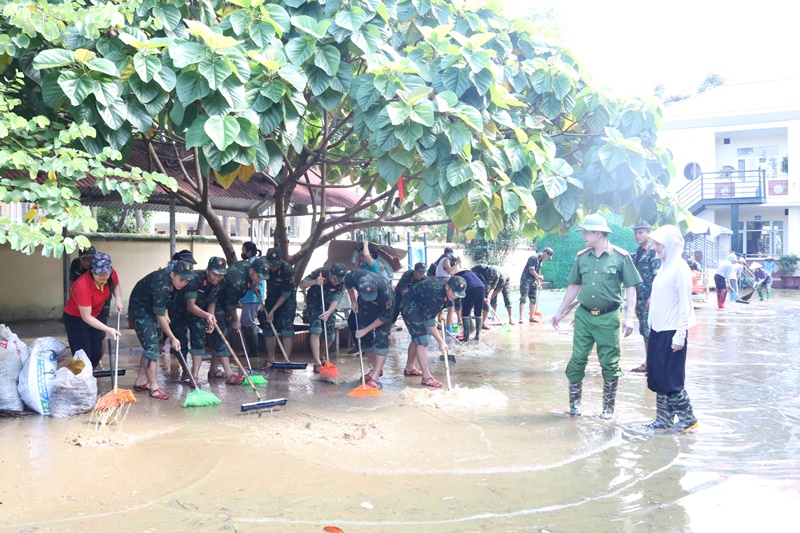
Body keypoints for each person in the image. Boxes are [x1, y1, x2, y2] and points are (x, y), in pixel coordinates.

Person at [551, 213, 642, 419]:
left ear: (599, 233)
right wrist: (560, 312)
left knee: (609, 363)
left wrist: (630, 317)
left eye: (587, 232)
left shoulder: (621, 257)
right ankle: (575, 407)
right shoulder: (582, 257)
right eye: (583, 232)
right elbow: (574, 285)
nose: (583, 235)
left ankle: (608, 409)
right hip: (583, 316)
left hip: (608, 317)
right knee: (577, 360)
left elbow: (630, 287)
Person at [644, 225, 698, 432]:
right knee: (657, 376)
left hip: (673, 330)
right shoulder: (665, 266)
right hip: (658, 329)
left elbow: (686, 304)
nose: (655, 247)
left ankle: (689, 419)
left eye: (659, 244)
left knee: (671, 379)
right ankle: (663, 420)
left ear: (671, 245)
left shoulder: (680, 268)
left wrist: (681, 335)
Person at [129, 261, 195, 400]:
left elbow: (162, 305)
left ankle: (141, 381)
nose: (183, 283)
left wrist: (166, 313)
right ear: (172, 274)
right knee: (152, 348)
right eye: (181, 279)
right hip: (140, 309)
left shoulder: (171, 281)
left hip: (152, 307)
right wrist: (172, 337)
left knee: (155, 347)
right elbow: (159, 314)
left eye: (186, 281)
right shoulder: (162, 284)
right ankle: (153, 388)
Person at [400, 276, 467, 387]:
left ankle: (410, 368)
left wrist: (441, 312)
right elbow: (430, 321)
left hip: (421, 304)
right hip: (410, 306)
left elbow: (440, 302)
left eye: (458, 294)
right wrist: (441, 341)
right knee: (423, 340)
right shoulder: (435, 292)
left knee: (417, 338)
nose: (455, 296)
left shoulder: (447, 289)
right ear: (447, 286)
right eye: (453, 293)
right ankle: (427, 378)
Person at [209, 258, 269, 379]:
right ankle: (230, 373)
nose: (260, 279)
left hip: (225, 301)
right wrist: (236, 320)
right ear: (251, 271)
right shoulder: (238, 281)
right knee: (222, 336)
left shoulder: (249, 268)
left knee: (219, 336)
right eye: (259, 276)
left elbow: (253, 279)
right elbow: (231, 304)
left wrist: (255, 285)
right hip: (217, 301)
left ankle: (214, 370)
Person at [63, 252, 122, 369]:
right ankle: (76, 380)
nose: (103, 275)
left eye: (106, 272)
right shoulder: (83, 285)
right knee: (82, 355)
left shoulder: (111, 274)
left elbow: (116, 285)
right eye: (99, 272)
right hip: (76, 318)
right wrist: (108, 329)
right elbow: (86, 317)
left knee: (95, 354)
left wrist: (118, 299)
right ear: (92, 269)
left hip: (95, 314)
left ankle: (90, 377)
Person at [344, 270, 394, 388]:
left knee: (381, 339)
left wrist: (365, 330)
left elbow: (384, 318)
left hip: (382, 312)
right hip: (365, 308)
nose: (370, 298)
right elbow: (347, 284)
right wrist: (353, 300)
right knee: (365, 339)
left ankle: (375, 377)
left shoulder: (386, 293)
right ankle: (376, 369)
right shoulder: (354, 277)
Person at [182, 257, 227, 383]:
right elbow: (190, 305)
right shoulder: (195, 279)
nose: (218, 278)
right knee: (181, 341)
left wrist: (210, 318)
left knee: (198, 338)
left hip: (200, 311)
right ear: (207, 270)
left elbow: (212, 300)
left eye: (221, 275)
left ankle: (194, 376)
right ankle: (185, 370)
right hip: (180, 310)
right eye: (215, 274)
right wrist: (206, 315)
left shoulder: (220, 282)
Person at [298, 263, 348, 372]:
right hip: (314, 305)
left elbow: (337, 298)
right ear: (330, 273)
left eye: (339, 280)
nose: (337, 282)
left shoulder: (342, 282)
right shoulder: (320, 272)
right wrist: (315, 281)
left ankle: (322, 355)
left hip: (329, 307)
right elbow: (301, 284)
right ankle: (317, 362)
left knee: (330, 336)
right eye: (335, 279)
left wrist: (329, 312)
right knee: (316, 330)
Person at [630, 221, 661, 374]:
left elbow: (657, 275)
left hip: (650, 299)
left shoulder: (653, 252)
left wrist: (652, 298)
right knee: (644, 332)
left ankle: (654, 364)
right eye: (636, 232)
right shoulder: (639, 252)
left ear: (649, 233)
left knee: (651, 332)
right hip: (640, 299)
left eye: (641, 232)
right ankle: (649, 363)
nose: (637, 235)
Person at [262, 248, 297, 367]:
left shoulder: (288, 270)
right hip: (271, 298)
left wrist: (273, 310)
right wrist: (255, 285)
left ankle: (287, 361)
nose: (273, 267)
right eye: (271, 264)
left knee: (287, 329)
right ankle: (271, 359)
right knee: (268, 328)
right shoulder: (263, 265)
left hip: (287, 300)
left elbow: (285, 294)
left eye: (275, 264)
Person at [239, 242, 265, 359]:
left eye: (243, 250)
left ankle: (254, 351)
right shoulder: (258, 262)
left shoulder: (252, 264)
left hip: (252, 298)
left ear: (249, 251)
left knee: (248, 324)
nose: (242, 252)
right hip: (253, 297)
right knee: (250, 323)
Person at [519, 247, 553, 324]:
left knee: (533, 299)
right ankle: (521, 318)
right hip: (526, 280)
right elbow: (531, 270)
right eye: (548, 256)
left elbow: (538, 273)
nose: (548, 258)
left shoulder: (541, 261)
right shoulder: (534, 258)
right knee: (523, 298)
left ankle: (531, 317)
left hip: (533, 281)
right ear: (545, 253)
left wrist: (539, 284)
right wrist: (538, 277)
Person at [454, 268, 485, 341]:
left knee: (465, 313)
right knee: (478, 312)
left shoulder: (458, 277)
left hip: (471, 289)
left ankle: (466, 337)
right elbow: (482, 279)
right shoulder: (473, 274)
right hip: (481, 287)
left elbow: (459, 290)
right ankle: (477, 335)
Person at [471, 264, 500, 330]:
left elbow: (493, 287)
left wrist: (488, 297)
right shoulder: (480, 267)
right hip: (476, 281)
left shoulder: (497, 276)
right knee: (474, 301)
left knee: (487, 302)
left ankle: (484, 323)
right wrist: (480, 296)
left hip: (486, 285)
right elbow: (470, 274)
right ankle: (470, 322)